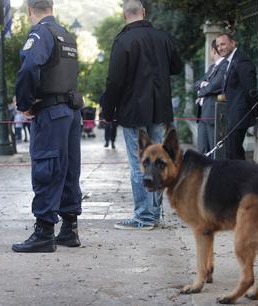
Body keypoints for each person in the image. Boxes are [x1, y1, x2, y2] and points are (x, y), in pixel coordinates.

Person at [103, 0, 182, 230]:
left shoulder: (123, 41)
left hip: (133, 111)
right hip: (159, 110)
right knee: (157, 161)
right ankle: (154, 213)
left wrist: (107, 111)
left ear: (124, 15)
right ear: (144, 12)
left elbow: (114, 81)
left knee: (140, 163)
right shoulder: (163, 38)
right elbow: (176, 67)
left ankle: (144, 217)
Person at [12, 0, 82, 253]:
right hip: (71, 111)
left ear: (30, 10)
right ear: (51, 7)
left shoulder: (41, 32)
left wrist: (24, 103)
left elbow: (30, 66)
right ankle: (69, 229)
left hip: (51, 112)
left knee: (47, 167)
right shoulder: (67, 35)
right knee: (69, 169)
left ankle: (44, 232)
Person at [216, 33, 257, 160]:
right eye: (218, 46)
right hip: (233, 115)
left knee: (234, 153)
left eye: (223, 44)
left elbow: (250, 90)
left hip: (239, 115)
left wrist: (253, 112)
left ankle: (241, 178)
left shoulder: (241, 60)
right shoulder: (231, 60)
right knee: (231, 151)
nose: (220, 48)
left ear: (233, 43)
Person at [194, 39, 228, 155]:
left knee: (213, 150)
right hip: (203, 113)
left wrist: (201, 91)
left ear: (214, 50)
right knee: (202, 149)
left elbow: (214, 86)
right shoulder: (212, 67)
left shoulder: (225, 65)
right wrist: (204, 84)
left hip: (212, 114)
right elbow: (197, 83)